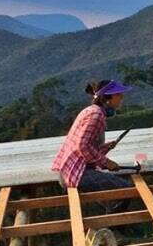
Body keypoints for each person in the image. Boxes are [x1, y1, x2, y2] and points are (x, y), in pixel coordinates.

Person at [51, 79, 134, 213]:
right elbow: (82, 146)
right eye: (118, 95)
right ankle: (111, 225)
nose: (122, 98)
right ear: (108, 98)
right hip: (77, 173)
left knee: (113, 198)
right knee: (126, 190)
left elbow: (84, 146)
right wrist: (106, 162)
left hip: (70, 170)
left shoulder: (90, 111)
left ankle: (108, 221)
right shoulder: (96, 115)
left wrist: (105, 148)